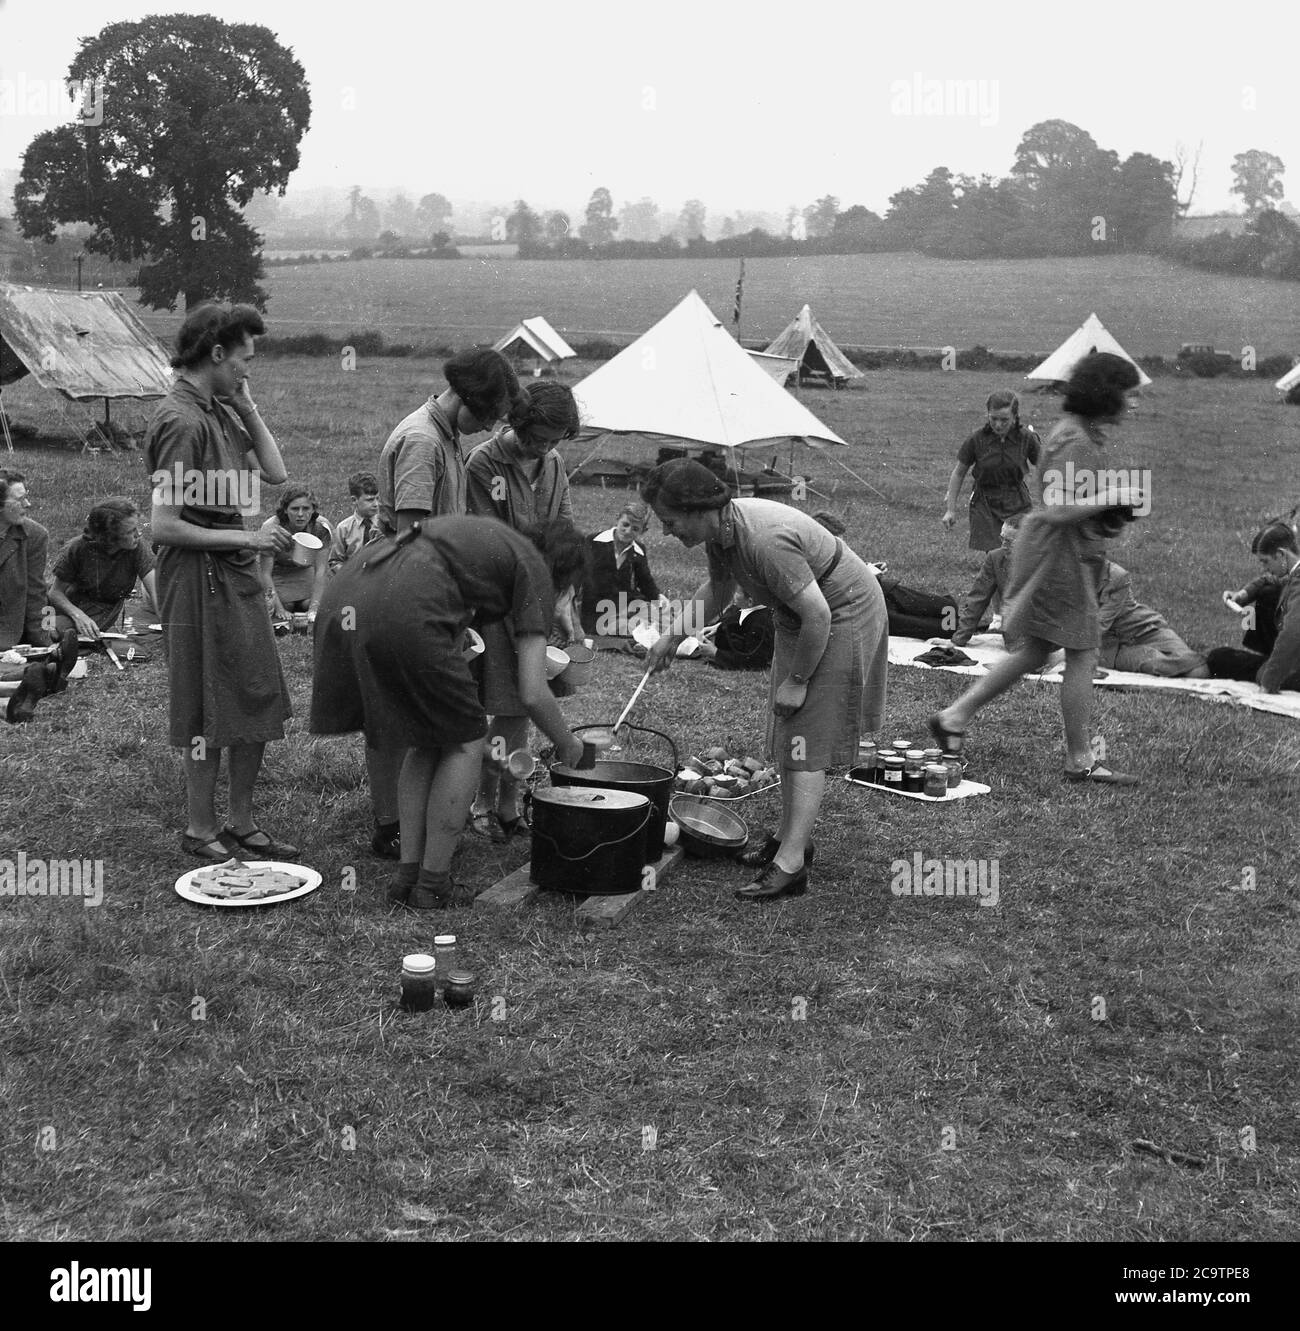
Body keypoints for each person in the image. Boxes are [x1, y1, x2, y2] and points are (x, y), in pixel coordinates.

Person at [309, 516, 592, 908]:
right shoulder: (534, 568)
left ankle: (407, 876)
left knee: (429, 739)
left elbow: (453, 623)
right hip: (402, 607)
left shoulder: (488, 544)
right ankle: (433, 884)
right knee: (465, 741)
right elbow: (532, 689)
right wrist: (568, 744)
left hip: (347, 596)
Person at [643, 459, 888, 902]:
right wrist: (670, 638)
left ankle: (791, 866)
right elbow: (718, 591)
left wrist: (797, 679)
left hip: (842, 612)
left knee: (807, 736)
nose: (666, 532)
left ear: (699, 509)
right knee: (789, 730)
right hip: (802, 617)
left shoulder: (764, 539)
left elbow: (820, 614)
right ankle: (788, 840)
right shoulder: (721, 532)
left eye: (669, 521)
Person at [929, 352, 1144, 786]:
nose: (1134, 404)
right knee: (1083, 650)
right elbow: (1060, 508)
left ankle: (953, 716)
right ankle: (1080, 759)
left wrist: (1106, 509)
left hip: (1054, 551)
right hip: (1059, 555)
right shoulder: (1078, 440)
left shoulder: (1074, 433)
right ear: (1107, 396)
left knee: (1038, 649)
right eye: (1129, 395)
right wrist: (1116, 494)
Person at [145, 302, 299, 861]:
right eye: (243, 361)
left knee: (254, 689)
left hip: (232, 569)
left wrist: (247, 405)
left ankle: (241, 819)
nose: (248, 370)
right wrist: (248, 540)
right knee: (206, 699)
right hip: (198, 574)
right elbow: (163, 525)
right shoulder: (180, 421)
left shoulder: (220, 410)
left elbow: (276, 473)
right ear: (215, 354)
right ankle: (199, 826)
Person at [366, 347, 524, 860]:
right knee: (397, 715)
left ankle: (406, 820)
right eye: (485, 415)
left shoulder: (448, 436)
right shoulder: (421, 440)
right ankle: (391, 824)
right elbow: (414, 537)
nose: (487, 427)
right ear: (464, 397)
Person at [465, 382, 580, 842]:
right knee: (501, 703)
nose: (545, 448)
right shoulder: (484, 464)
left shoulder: (553, 463)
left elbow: (566, 532)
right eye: (538, 438)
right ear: (518, 422)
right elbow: (486, 542)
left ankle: (508, 802)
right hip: (496, 601)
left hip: (537, 596)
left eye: (555, 440)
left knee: (518, 709)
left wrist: (563, 598)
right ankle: (479, 801)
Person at [0, 470, 78, 721]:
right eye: (19, 499)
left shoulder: (34, 535)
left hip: (7, 632)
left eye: (27, 497)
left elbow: (38, 595)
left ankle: (42, 672)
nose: (28, 505)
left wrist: (47, 640)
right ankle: (28, 686)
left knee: (30, 658)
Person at [48, 497, 158, 642]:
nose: (138, 534)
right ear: (110, 537)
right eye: (130, 532)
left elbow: (157, 593)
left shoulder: (137, 548)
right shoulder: (77, 548)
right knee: (51, 633)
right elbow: (55, 593)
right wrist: (78, 616)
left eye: (137, 528)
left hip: (103, 611)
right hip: (70, 606)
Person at [1206, 523, 1300, 692]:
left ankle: (1270, 666)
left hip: (1294, 668)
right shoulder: (1294, 572)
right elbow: (1267, 580)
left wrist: (1269, 681)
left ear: (1281, 554)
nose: (1265, 568)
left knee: (1219, 658)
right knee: (1268, 591)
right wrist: (1243, 595)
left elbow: (1292, 634)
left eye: (1266, 561)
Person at [942, 390, 1041, 550]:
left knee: (1022, 550)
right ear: (988, 414)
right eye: (993, 418)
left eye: (1004, 420)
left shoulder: (1026, 438)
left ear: (1015, 416)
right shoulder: (977, 439)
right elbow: (959, 473)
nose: (998, 424)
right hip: (985, 503)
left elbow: (1044, 468)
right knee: (996, 553)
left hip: (1017, 500)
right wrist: (950, 510)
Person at [1096, 561, 1206, 677]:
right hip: (1111, 648)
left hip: (1144, 629)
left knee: (1199, 669)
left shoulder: (1116, 575)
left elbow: (1100, 623)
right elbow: (1096, 629)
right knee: (1180, 670)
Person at [580, 502, 664, 639]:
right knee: (627, 627)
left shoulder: (638, 551)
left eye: (635, 529)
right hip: (597, 608)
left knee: (656, 614)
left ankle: (649, 628)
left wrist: (658, 601)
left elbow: (646, 582)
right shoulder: (593, 542)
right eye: (625, 525)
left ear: (643, 531)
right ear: (617, 519)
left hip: (625, 604)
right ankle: (642, 632)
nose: (628, 531)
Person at [258, 485, 332, 630]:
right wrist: (279, 608)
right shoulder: (272, 528)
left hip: (306, 572)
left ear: (313, 509)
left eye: (306, 509)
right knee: (286, 606)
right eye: (294, 509)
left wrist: (314, 607)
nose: (300, 514)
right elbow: (265, 572)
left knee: (308, 605)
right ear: (285, 510)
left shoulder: (321, 528)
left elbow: (321, 570)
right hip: (279, 574)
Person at [951, 516, 1023, 647]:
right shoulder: (995, 558)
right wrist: (958, 640)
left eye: (1009, 541)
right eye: (1002, 538)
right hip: (1016, 639)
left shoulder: (1048, 561)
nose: (1003, 545)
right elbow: (977, 599)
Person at [329, 471, 382, 575]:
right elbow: (335, 561)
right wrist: (349, 575)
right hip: (352, 579)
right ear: (354, 500)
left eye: (378, 498)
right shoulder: (344, 528)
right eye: (370, 500)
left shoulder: (385, 525)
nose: (376, 504)